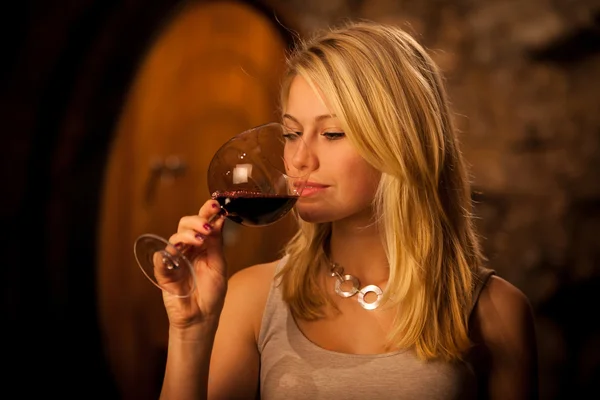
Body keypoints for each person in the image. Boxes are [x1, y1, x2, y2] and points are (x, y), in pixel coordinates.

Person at [158, 20, 539, 399]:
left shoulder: (495, 312)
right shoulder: (251, 299)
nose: (298, 158)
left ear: (400, 141)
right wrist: (189, 331)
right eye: (292, 133)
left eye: (332, 134)